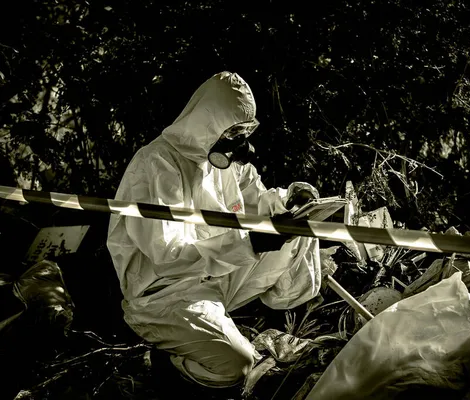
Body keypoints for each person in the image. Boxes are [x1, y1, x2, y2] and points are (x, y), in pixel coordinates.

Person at [106, 71, 322, 389]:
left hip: (213, 281)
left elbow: (259, 200)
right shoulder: (156, 165)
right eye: (231, 134)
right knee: (239, 365)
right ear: (207, 125)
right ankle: (169, 366)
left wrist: (291, 201)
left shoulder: (224, 163)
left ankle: (236, 325)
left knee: (297, 231)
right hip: (164, 297)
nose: (238, 143)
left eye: (241, 133)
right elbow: (169, 258)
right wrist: (249, 244)